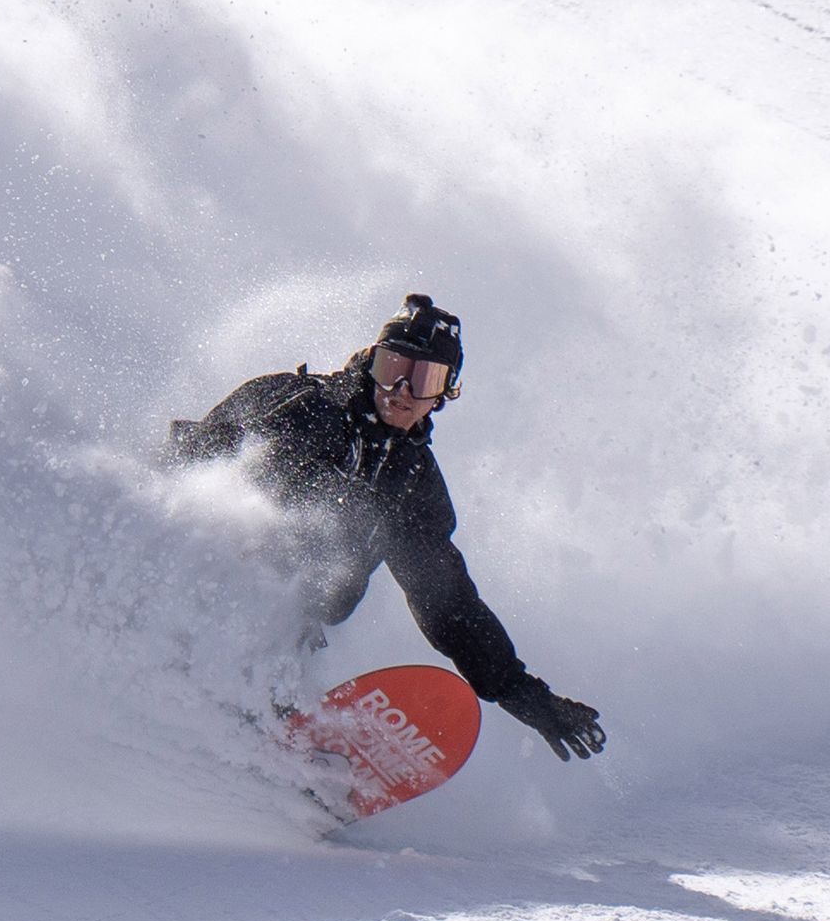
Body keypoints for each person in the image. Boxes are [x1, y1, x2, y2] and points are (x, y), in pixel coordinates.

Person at [167, 293, 607, 762]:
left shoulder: (411, 484)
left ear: (446, 392)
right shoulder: (298, 406)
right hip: (200, 585)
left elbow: (448, 606)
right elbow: (190, 457)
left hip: (284, 630)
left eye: (423, 379)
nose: (400, 389)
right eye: (391, 366)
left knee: (306, 618)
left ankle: (262, 748)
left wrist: (527, 696)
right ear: (371, 361)